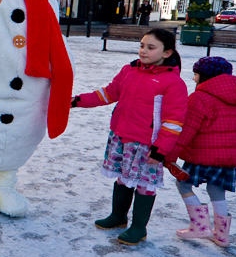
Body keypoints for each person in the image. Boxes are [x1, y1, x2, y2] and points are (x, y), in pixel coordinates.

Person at [70, 28, 187, 245]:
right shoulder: (130, 70)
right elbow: (108, 93)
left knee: (144, 184)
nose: (143, 51)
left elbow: (174, 121)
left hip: (148, 144)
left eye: (151, 48)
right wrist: (76, 101)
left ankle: (139, 228)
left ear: (167, 53)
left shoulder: (172, 82)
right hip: (122, 136)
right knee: (123, 178)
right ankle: (118, 216)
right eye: (142, 45)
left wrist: (160, 149)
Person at [166, 57, 236, 247]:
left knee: (183, 185)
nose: (194, 79)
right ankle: (221, 236)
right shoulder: (234, 98)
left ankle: (200, 226)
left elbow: (187, 130)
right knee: (217, 192)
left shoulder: (199, 97)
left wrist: (171, 154)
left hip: (202, 155)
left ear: (205, 76)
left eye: (196, 74)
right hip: (227, 158)